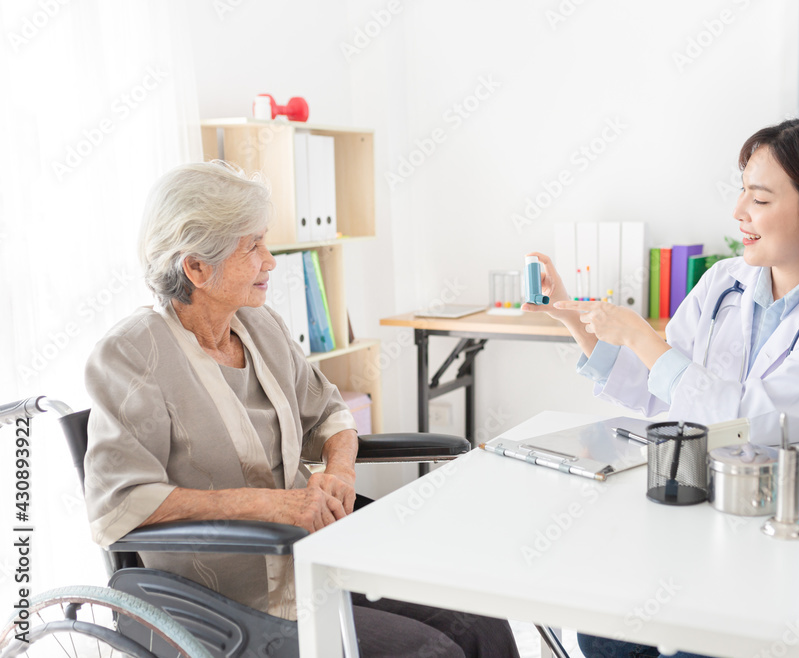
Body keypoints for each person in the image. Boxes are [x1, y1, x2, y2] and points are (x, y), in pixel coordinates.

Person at [83, 160, 519, 658]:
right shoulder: (132, 356)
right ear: (197, 267)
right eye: (254, 247)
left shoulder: (259, 324)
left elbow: (329, 412)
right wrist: (274, 505)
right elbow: (121, 503)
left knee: (478, 619)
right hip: (226, 597)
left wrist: (339, 471)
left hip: (312, 555)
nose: (271, 261)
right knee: (429, 651)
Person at [525, 117, 799, 658]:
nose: (738, 213)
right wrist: (575, 321)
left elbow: (750, 423)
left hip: (793, 539)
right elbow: (665, 391)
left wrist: (644, 337)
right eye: (742, 192)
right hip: (704, 517)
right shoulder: (723, 282)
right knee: (601, 629)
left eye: (758, 198)